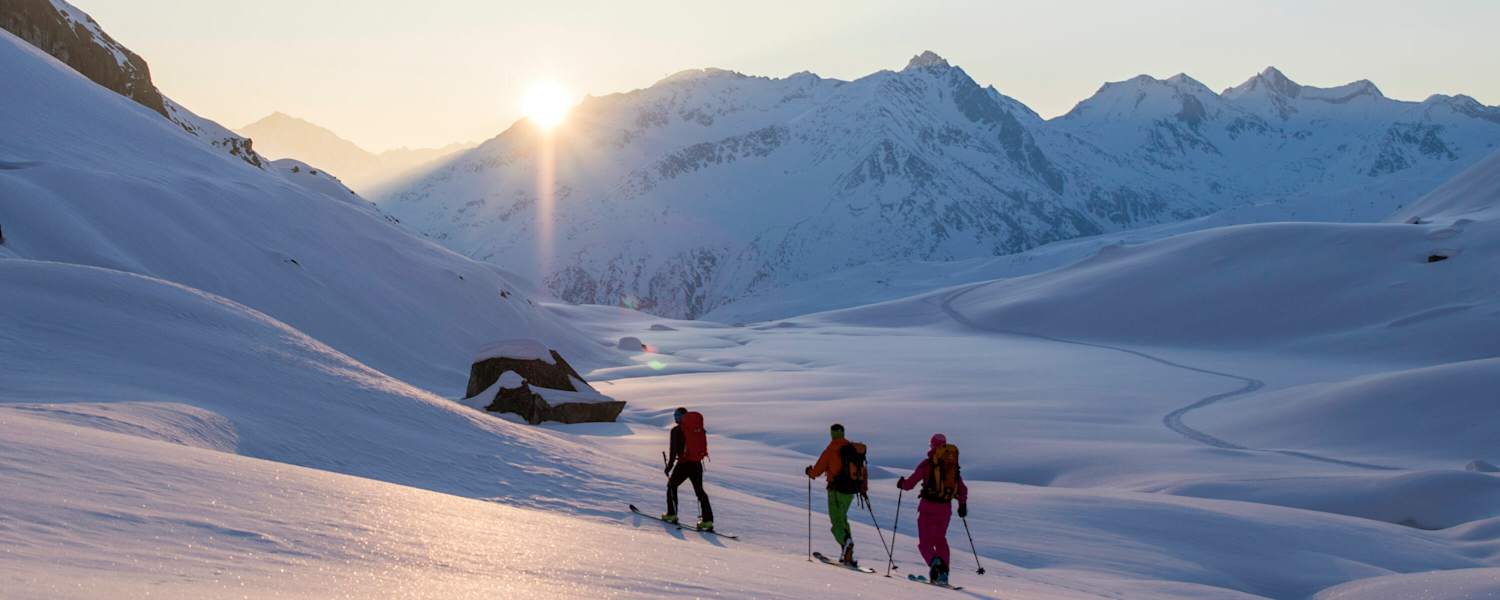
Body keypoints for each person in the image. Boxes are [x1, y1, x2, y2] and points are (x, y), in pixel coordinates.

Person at [897, 433, 968, 586]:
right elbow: (962, 489)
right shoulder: (952, 466)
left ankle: (934, 563)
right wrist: (962, 505)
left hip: (928, 508)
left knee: (925, 543)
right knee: (940, 540)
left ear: (932, 446)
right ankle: (944, 573)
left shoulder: (927, 464)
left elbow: (910, 485)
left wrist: (901, 483)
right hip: (945, 509)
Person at [805, 423, 869, 566]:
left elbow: (816, 472)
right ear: (843, 433)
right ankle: (847, 553)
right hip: (850, 491)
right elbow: (863, 471)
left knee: (836, 523)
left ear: (832, 434)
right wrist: (864, 488)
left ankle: (847, 543)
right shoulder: (853, 450)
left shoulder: (830, 451)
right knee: (843, 519)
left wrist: (809, 472)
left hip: (835, 491)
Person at [663, 407, 714, 530]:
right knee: (699, 491)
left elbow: (673, 451)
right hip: (697, 464)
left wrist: (669, 467)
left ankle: (672, 514)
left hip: (684, 464)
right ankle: (708, 521)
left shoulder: (676, 431)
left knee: (671, 486)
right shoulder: (697, 430)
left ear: (681, 417)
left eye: (676, 415)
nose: (675, 418)